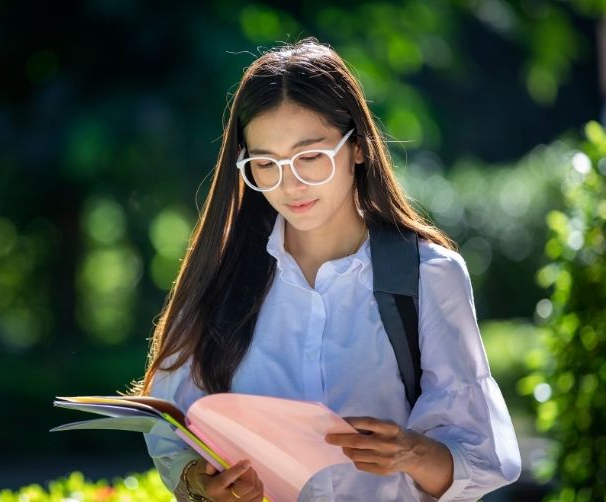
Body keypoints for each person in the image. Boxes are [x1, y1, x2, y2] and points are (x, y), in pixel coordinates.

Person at [133, 37, 522, 501]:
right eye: (266, 163)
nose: (290, 184)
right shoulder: (220, 276)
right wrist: (200, 482)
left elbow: (484, 458)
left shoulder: (429, 275)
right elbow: (170, 429)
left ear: (357, 147)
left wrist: (412, 453)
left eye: (310, 156)